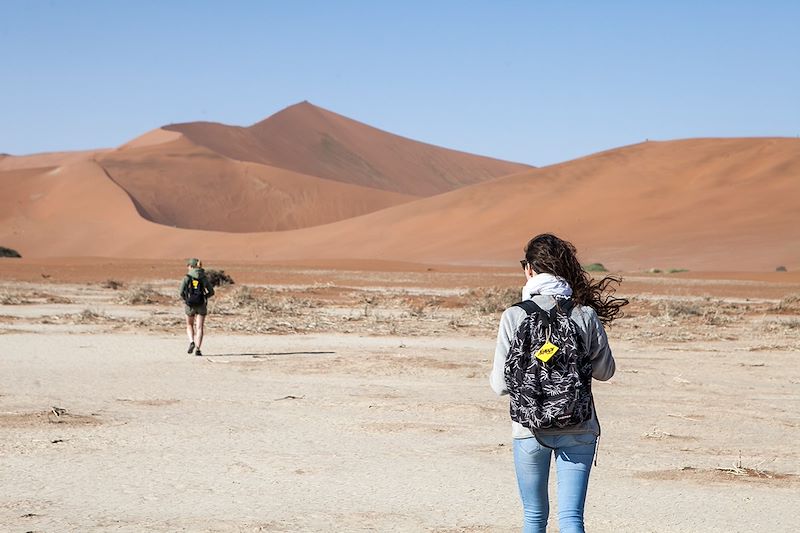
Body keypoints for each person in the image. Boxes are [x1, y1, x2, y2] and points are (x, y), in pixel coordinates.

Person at [489, 233, 627, 533]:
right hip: (579, 426)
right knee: (571, 519)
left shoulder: (514, 315)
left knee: (534, 517)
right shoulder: (585, 314)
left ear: (529, 270)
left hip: (529, 428)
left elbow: (500, 385)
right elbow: (606, 372)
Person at [179, 258, 214, 356]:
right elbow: (211, 292)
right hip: (201, 305)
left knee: (189, 325)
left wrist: (186, 299)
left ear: (191, 266)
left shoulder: (187, 277)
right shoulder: (204, 278)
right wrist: (204, 297)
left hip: (190, 305)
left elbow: (180, 292)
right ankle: (198, 349)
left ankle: (191, 342)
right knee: (199, 327)